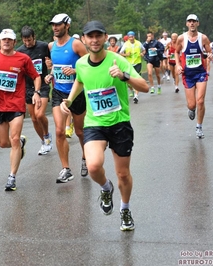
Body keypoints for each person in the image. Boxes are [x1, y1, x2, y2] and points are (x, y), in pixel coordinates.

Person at [60, 21, 149, 231]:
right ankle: (105, 188)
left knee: (123, 174)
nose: (94, 40)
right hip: (95, 123)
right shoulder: (81, 64)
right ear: (83, 39)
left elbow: (144, 87)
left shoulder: (118, 61)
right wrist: (70, 100)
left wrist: (124, 76)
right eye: (90, 36)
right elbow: (81, 80)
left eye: (98, 35)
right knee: (93, 165)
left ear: (105, 37)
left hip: (119, 123)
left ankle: (125, 209)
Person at [0, 29, 41, 191]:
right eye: (3, 39)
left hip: (16, 105)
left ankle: (12, 177)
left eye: (9, 40)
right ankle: (20, 144)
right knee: (3, 143)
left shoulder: (23, 58)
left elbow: (36, 76)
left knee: (13, 139)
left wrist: (37, 92)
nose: (6, 42)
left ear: (14, 42)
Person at [45, 13, 89, 182]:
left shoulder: (76, 44)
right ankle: (66, 169)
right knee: (59, 130)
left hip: (76, 94)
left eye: (58, 24)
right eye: (53, 25)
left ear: (67, 25)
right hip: (58, 93)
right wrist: (50, 75)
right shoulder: (51, 46)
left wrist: (76, 71)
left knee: (79, 131)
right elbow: (56, 67)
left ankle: (85, 158)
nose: (55, 27)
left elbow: (89, 64)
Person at [16, 26, 53, 155]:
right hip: (27, 87)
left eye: (30, 40)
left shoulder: (43, 46)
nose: (27, 43)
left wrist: (50, 65)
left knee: (39, 114)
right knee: (33, 118)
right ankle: (44, 142)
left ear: (34, 37)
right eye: (25, 41)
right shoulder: (20, 51)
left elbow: (52, 61)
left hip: (42, 84)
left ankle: (47, 135)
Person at [175, 14, 213, 139]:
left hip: (201, 73)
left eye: (194, 21)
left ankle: (199, 127)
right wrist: (178, 65)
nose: (192, 23)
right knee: (192, 105)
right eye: (189, 21)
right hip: (188, 75)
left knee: (200, 101)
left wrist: (210, 56)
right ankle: (191, 109)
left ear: (198, 23)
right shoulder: (181, 38)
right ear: (186, 24)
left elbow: (209, 51)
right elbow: (176, 51)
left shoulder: (203, 38)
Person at [119, 31, 145, 103]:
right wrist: (126, 54)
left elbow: (144, 50)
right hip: (129, 64)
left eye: (132, 37)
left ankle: (136, 96)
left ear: (134, 37)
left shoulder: (138, 43)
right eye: (129, 37)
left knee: (137, 78)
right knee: (128, 80)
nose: (131, 38)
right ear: (128, 37)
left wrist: (142, 53)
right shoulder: (126, 44)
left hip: (138, 63)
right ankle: (132, 90)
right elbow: (120, 53)